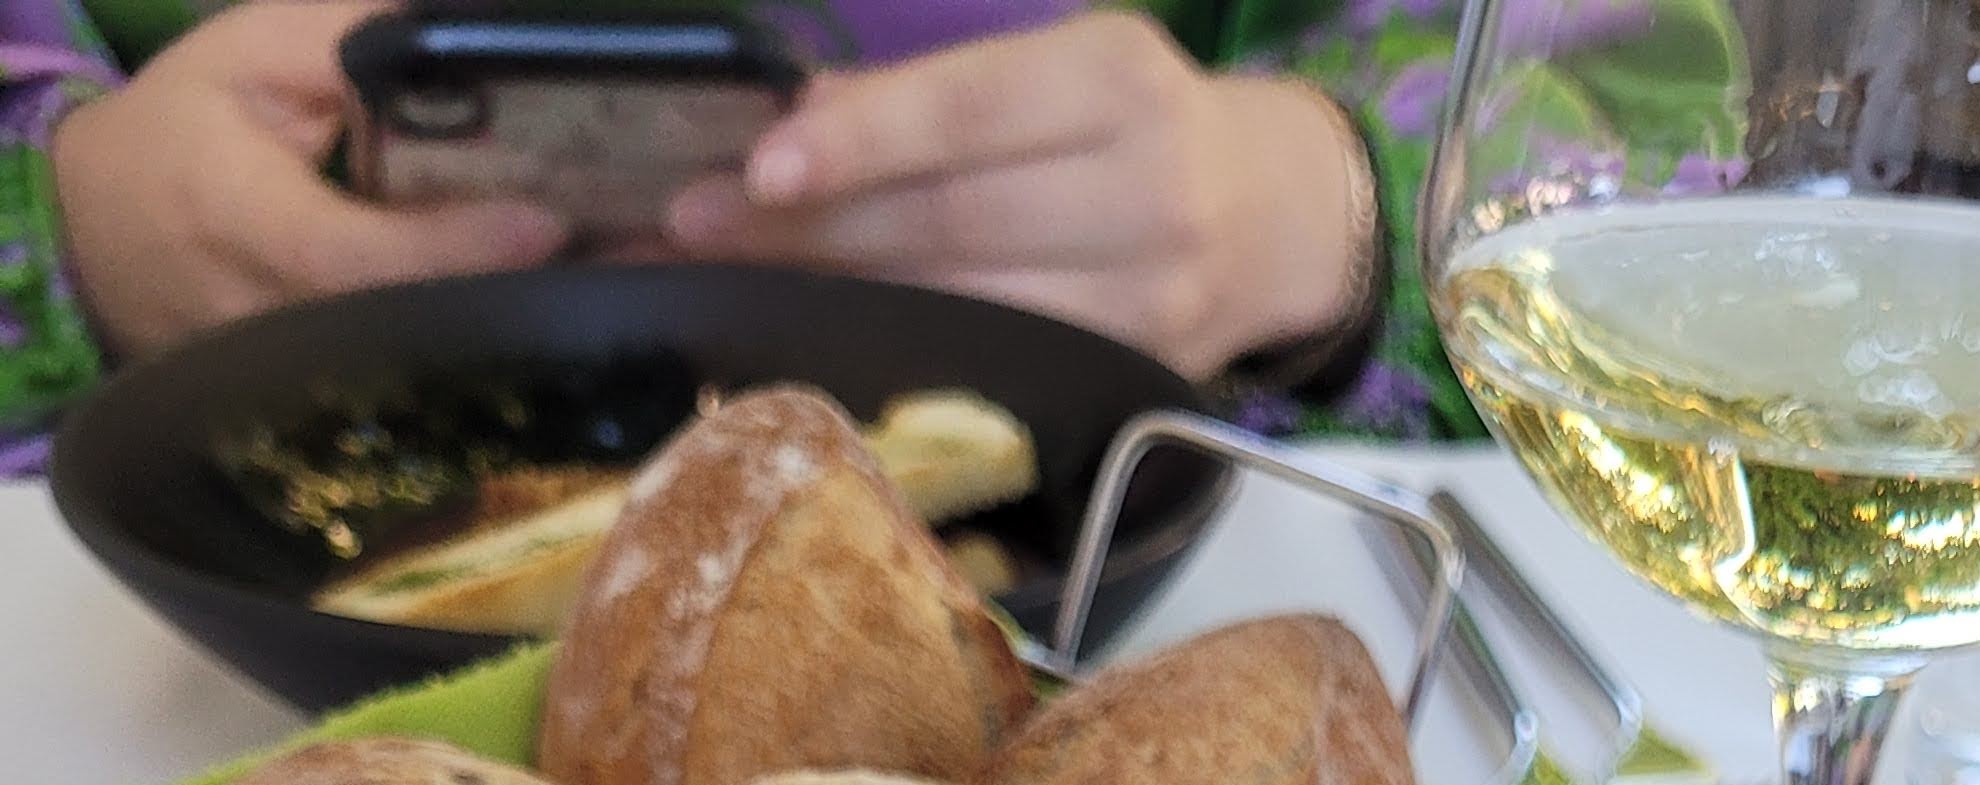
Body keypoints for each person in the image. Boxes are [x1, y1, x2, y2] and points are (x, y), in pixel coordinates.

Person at [2, 0, 1737, 474]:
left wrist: (1328, 203)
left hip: (1115, 569)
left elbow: (1704, 120)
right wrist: (62, 218)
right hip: (164, 600)